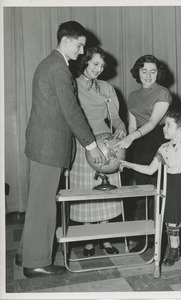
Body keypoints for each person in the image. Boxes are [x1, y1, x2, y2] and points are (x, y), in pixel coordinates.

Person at [15, 21, 105, 278]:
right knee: (43, 205)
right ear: (66, 40)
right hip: (48, 146)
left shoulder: (52, 64)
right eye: (79, 46)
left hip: (43, 145)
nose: (81, 52)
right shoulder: (57, 67)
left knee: (37, 202)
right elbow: (72, 111)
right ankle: (36, 263)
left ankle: (26, 252)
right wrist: (92, 144)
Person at [120, 110, 181, 269]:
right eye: (164, 125)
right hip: (171, 186)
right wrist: (129, 164)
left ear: (180, 129)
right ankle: (174, 250)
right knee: (172, 221)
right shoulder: (163, 147)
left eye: (168, 125)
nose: (164, 128)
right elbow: (150, 170)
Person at [69, 46, 127, 257]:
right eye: (95, 64)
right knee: (87, 192)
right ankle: (88, 240)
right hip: (83, 142)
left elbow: (115, 118)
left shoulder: (107, 88)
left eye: (102, 66)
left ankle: (106, 237)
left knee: (106, 192)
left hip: (105, 143)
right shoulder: (71, 85)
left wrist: (121, 127)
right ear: (84, 62)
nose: (99, 69)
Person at [116, 54, 172, 252]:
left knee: (160, 193)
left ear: (159, 73)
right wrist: (124, 148)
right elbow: (132, 126)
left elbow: (152, 123)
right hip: (140, 146)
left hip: (159, 142)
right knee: (142, 194)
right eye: (144, 71)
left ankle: (163, 238)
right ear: (137, 72)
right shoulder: (132, 96)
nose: (148, 75)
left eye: (153, 71)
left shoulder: (163, 93)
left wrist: (131, 138)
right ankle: (146, 237)